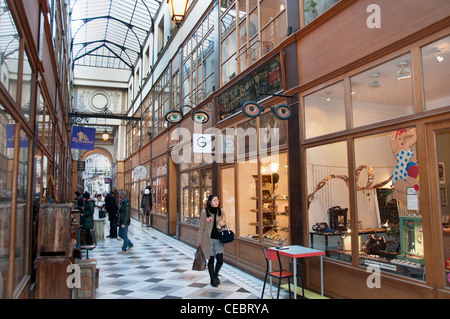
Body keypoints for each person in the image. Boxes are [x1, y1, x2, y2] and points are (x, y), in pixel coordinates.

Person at [197, 195, 226, 287]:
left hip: (218, 240)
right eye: (214, 200)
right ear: (210, 202)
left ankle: (215, 275)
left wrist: (222, 223)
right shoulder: (204, 212)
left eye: (217, 200)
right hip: (208, 239)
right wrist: (199, 241)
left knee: (220, 260)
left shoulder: (221, 211)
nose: (216, 202)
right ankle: (212, 280)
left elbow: (225, 223)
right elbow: (201, 228)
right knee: (211, 261)